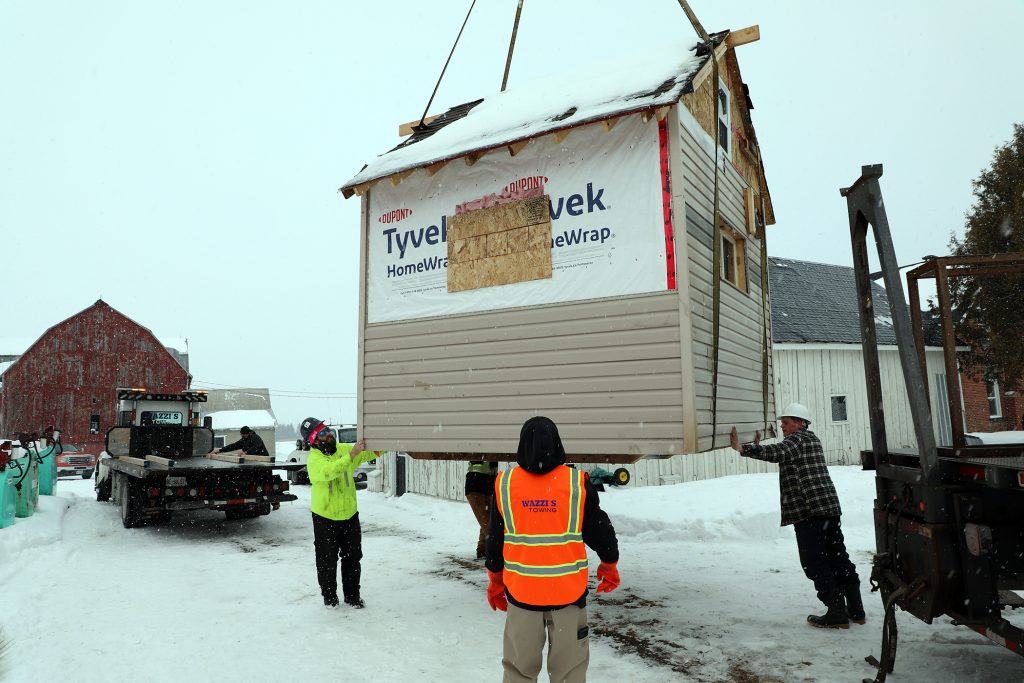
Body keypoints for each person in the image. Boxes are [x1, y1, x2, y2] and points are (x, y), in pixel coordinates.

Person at [485, 416, 620, 683]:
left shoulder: (504, 485)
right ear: (557, 444)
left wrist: (495, 580)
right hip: (567, 598)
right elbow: (600, 529)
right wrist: (610, 563)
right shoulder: (576, 484)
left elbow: (495, 539)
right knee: (569, 673)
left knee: (518, 672)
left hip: (522, 597)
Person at [729, 402, 864, 629]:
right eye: (782, 422)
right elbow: (783, 451)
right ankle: (856, 610)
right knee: (838, 557)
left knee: (815, 562)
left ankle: (837, 613)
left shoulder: (798, 439)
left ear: (800, 423)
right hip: (828, 508)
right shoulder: (811, 439)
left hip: (809, 511)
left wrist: (745, 449)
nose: (782, 426)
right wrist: (758, 447)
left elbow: (780, 452)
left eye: (786, 422)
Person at [300, 416, 378, 609]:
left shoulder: (343, 450)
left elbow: (367, 454)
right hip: (325, 518)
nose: (328, 433)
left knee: (352, 557)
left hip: (349, 515)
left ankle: (352, 597)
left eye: (326, 429)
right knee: (327, 561)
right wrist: (351, 456)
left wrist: (385, 443)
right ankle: (330, 599)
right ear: (314, 440)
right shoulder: (314, 460)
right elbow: (330, 471)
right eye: (322, 432)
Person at [465, 460, 499, 559]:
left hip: (487, 484)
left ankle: (483, 550)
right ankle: (495, 554)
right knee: (489, 524)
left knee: (489, 520)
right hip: (476, 485)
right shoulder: (483, 446)